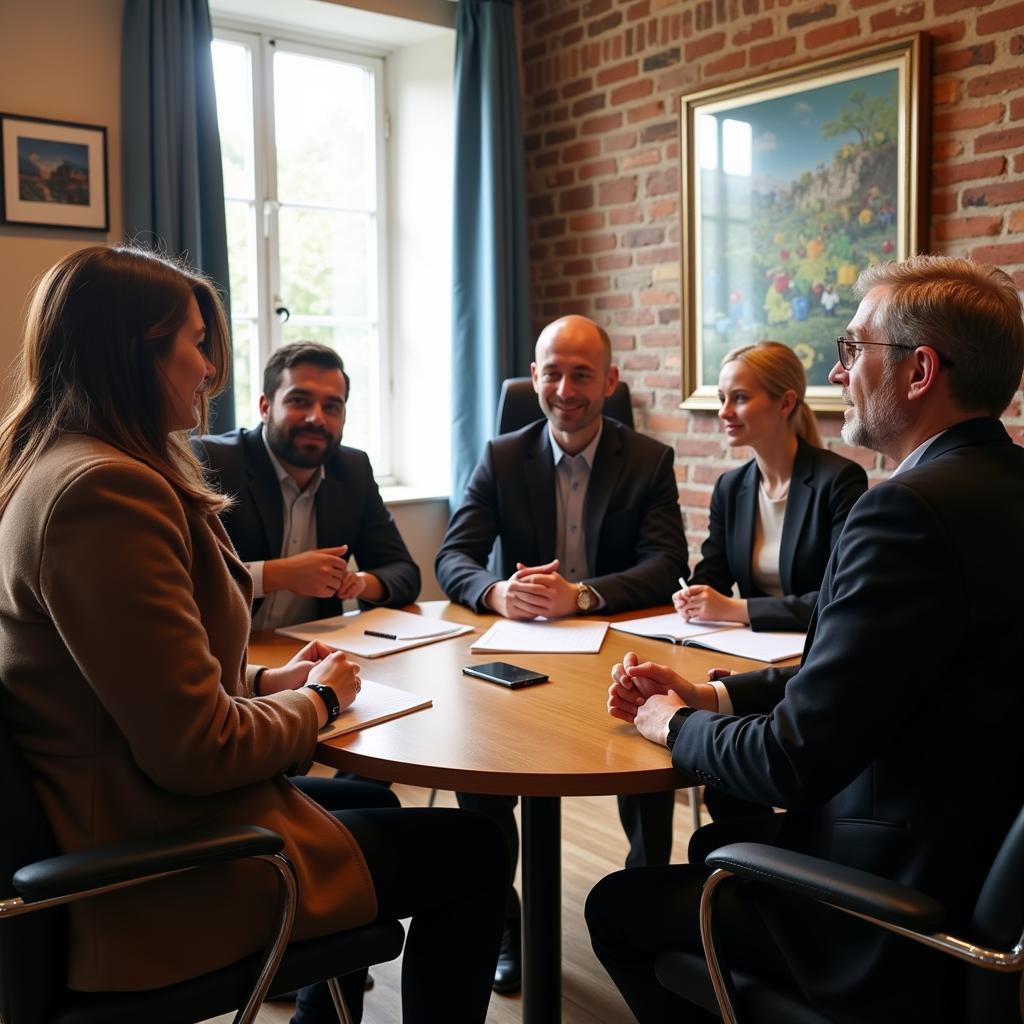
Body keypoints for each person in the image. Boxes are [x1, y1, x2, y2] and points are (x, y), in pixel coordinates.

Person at [0, 246, 508, 1024]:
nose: (211, 368)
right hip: (148, 872)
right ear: (136, 352)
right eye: (197, 343)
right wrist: (319, 703)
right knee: (476, 854)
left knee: (368, 791)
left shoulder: (55, 465)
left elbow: (123, 686)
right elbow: (198, 750)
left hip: (117, 809)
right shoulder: (106, 491)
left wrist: (264, 683)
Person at [588, 255, 1024, 1024]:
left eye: (855, 349)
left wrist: (674, 723)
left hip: (893, 918)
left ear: (920, 371)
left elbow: (791, 760)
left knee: (618, 907)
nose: (837, 368)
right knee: (710, 856)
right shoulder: (1000, 486)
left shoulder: (905, 512)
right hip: (980, 863)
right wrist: (717, 692)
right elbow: (867, 671)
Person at [436, 314, 690, 992]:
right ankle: (506, 923)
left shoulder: (647, 459)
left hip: (618, 651)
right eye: (552, 372)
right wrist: (495, 593)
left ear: (610, 381)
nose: (565, 388)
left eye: (582, 373)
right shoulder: (500, 455)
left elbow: (667, 563)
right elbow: (453, 555)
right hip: (517, 653)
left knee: (651, 772)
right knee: (482, 780)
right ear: (533, 379)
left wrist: (579, 597)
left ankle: (647, 921)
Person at [193, 341, 420, 631]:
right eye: (299, 401)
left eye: (332, 406)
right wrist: (279, 575)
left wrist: (359, 583)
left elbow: (404, 573)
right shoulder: (213, 461)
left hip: (315, 653)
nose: (317, 418)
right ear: (265, 407)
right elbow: (191, 577)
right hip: (233, 658)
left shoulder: (353, 469)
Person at [674, 341, 867, 633]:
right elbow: (713, 574)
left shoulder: (840, 480)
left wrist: (736, 608)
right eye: (721, 398)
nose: (723, 412)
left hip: (814, 650)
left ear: (786, 403)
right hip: (750, 648)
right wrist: (692, 595)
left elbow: (840, 596)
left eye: (739, 398)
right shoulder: (730, 487)